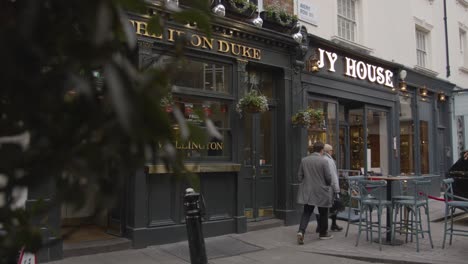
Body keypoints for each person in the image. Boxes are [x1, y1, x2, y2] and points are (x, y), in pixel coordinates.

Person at [296, 142, 334, 244]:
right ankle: (323, 233)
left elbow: (299, 176)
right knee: (323, 212)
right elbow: (328, 177)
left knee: (307, 212)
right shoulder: (323, 161)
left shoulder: (304, 160)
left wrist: (306, 183)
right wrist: (327, 185)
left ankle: (301, 231)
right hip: (321, 191)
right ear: (322, 150)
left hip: (308, 191)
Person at [316, 144, 343, 232]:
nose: (332, 152)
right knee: (332, 205)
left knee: (318, 206)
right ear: (329, 151)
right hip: (328, 187)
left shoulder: (319, 159)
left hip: (318, 187)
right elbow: (332, 176)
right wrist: (337, 189)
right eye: (332, 151)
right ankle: (331, 225)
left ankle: (319, 225)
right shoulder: (329, 161)